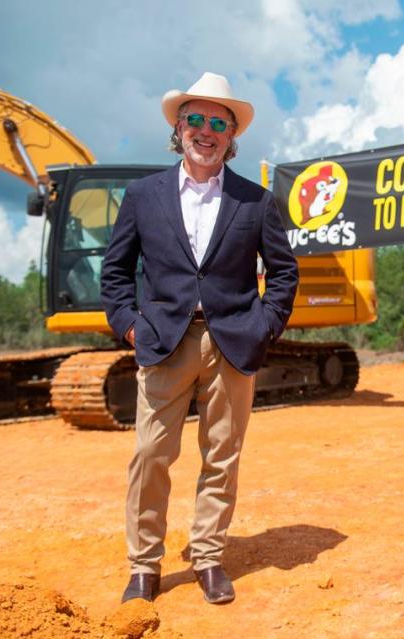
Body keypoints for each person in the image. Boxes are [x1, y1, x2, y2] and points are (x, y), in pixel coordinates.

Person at [101, 72, 299, 605]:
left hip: (233, 343)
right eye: (196, 119)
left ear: (232, 136)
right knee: (150, 453)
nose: (206, 131)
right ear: (179, 128)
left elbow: (283, 272)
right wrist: (128, 323)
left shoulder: (255, 201)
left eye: (219, 122)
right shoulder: (143, 196)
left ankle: (208, 556)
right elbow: (115, 271)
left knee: (222, 455)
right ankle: (144, 566)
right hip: (163, 340)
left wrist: (265, 326)